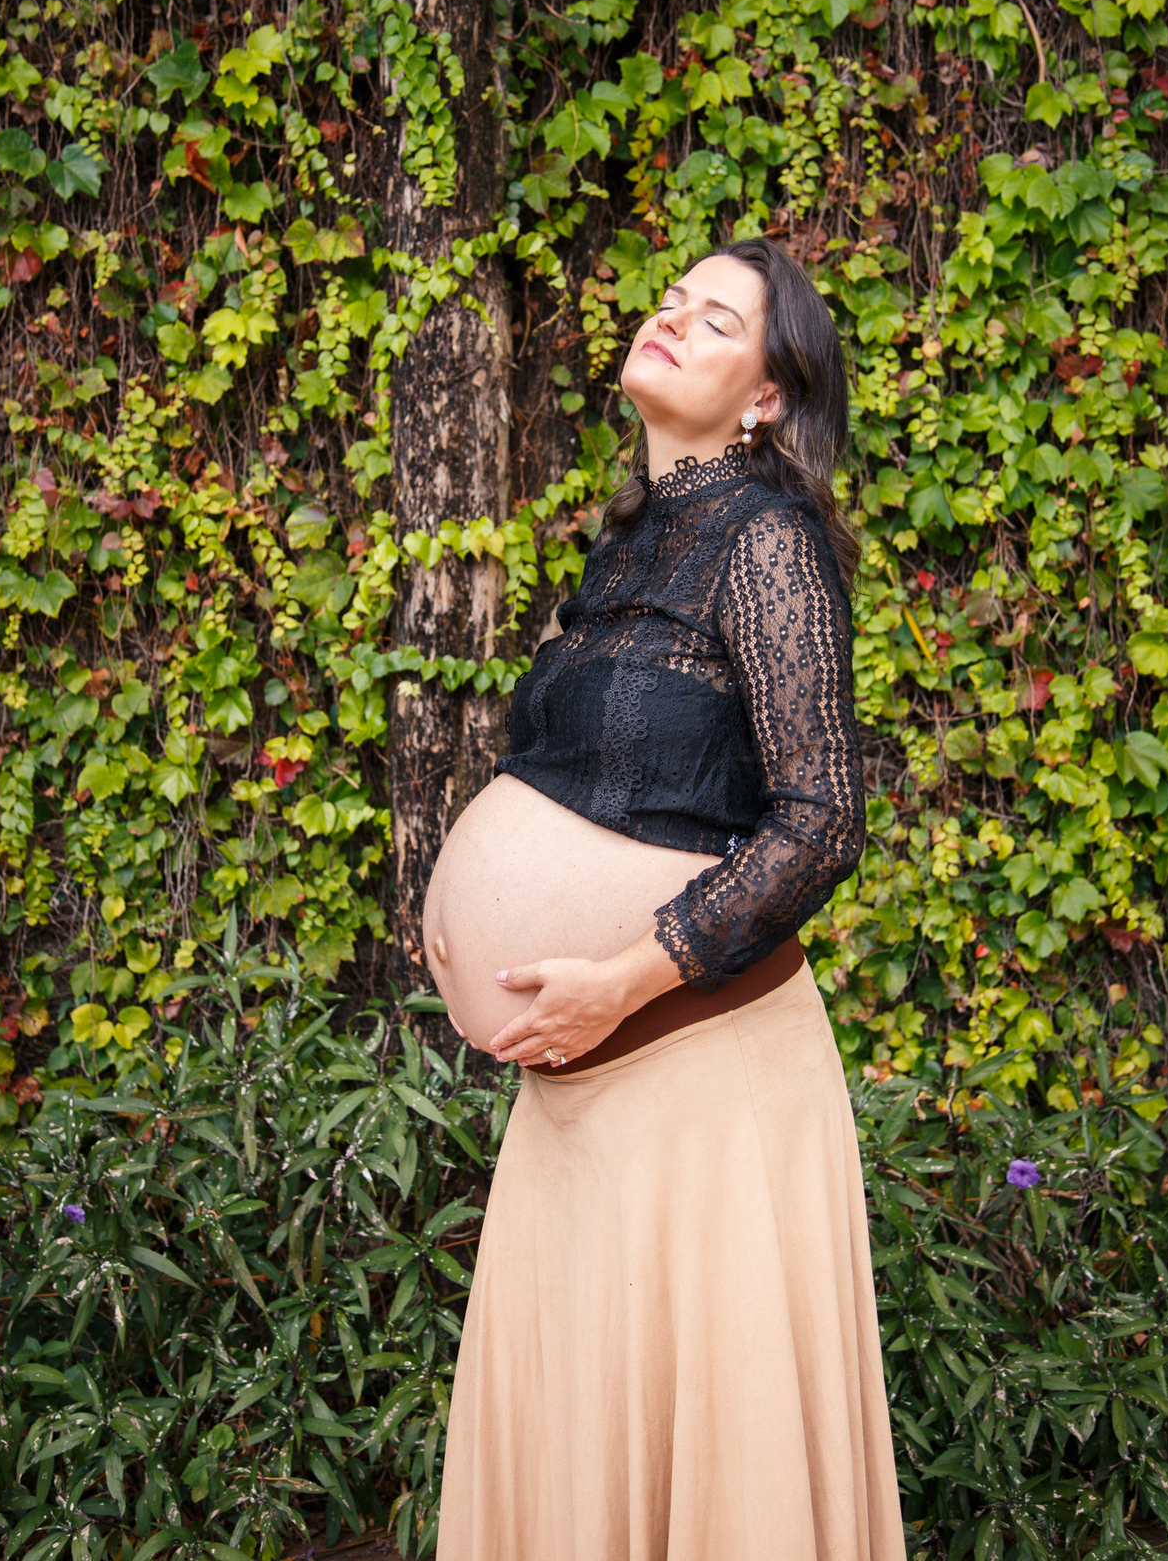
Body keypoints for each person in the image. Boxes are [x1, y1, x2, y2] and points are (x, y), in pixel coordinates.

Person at [424, 237, 905, 1561]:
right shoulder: (631, 538)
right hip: (582, 1105)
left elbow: (822, 823)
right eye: (672, 302)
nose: (675, 322)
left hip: (693, 1082)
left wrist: (621, 978)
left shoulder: (766, 540)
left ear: (766, 398)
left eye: (719, 320)